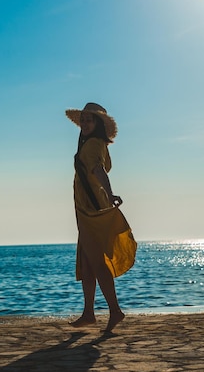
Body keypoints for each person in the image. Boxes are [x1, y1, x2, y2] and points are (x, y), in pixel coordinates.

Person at [65, 102, 137, 333]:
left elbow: (98, 170)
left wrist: (111, 192)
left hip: (92, 209)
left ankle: (114, 311)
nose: (85, 123)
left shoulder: (94, 144)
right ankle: (88, 313)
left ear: (97, 124)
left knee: (96, 262)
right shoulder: (90, 143)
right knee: (87, 263)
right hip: (85, 209)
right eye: (83, 119)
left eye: (90, 119)